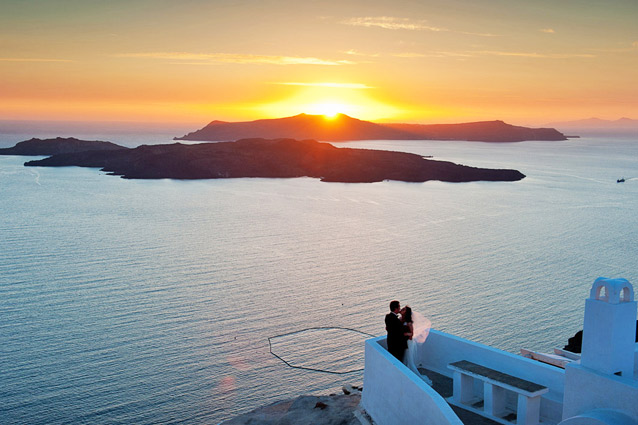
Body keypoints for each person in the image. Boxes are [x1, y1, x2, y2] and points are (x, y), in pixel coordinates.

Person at [402, 306, 433, 385]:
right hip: (405, 341)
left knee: (409, 358)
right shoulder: (402, 320)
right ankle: (407, 371)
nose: (402, 309)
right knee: (405, 357)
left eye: (404, 309)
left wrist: (404, 334)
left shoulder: (409, 322)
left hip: (409, 341)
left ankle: (411, 373)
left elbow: (411, 334)